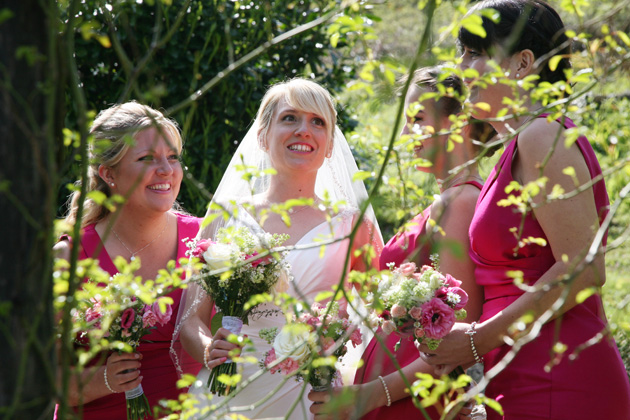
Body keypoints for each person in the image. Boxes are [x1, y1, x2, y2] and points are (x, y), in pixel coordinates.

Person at [415, 1, 630, 419]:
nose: (460, 68)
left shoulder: (541, 135)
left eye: (475, 53)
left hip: (559, 377)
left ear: (522, 63)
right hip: (517, 376)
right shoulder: (514, 149)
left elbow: (585, 268)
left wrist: (477, 339)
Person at [173, 78, 383, 419]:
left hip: (316, 399)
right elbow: (191, 321)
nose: (304, 130)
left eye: (318, 122)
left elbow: (383, 319)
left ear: (330, 144)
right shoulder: (226, 217)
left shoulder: (353, 227)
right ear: (262, 134)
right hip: (230, 395)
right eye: (290, 118)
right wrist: (211, 347)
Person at [309, 68, 490, 419]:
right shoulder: (450, 199)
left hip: (411, 395)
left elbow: (452, 337)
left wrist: (368, 396)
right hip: (397, 383)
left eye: (417, 119)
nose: (406, 133)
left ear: (459, 121)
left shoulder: (460, 203)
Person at [54, 102, 201, 419]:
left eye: (172, 157)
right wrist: (102, 379)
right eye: (147, 158)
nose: (166, 170)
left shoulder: (206, 241)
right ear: (109, 174)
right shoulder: (70, 258)